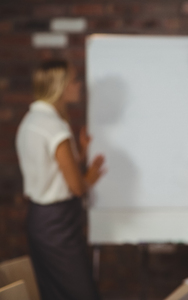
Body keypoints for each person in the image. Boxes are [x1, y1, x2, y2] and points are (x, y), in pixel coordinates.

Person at [16, 60, 105, 300]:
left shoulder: (30, 123)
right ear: (61, 86)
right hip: (58, 223)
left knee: (55, 293)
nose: (79, 85)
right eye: (74, 80)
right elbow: (77, 187)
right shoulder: (55, 128)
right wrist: (91, 176)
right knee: (82, 294)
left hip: (39, 219)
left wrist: (81, 155)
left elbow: (51, 170)